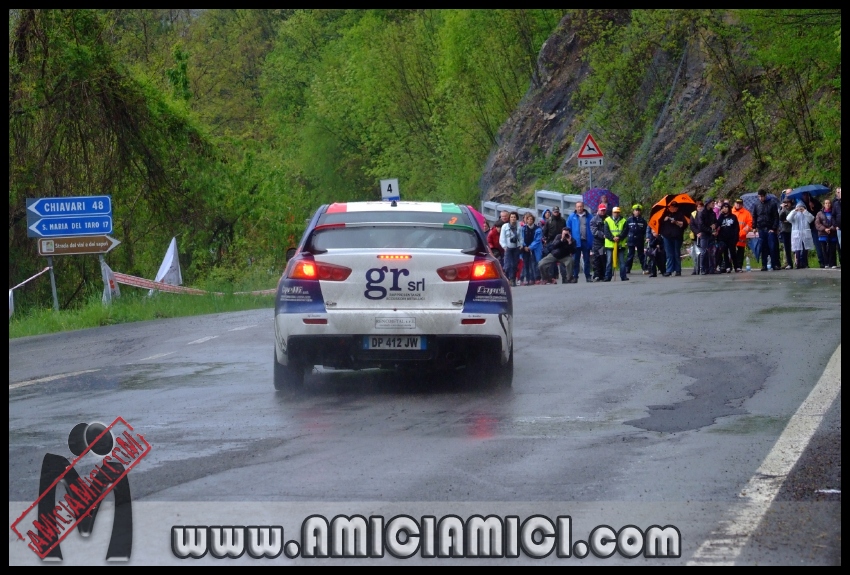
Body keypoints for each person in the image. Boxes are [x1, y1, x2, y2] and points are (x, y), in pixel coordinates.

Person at [752, 189, 780, 271]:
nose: (761, 198)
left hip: (770, 228)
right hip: (761, 228)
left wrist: (774, 228)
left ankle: (775, 264)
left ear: (765, 195)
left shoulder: (772, 203)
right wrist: (754, 227)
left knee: (773, 247)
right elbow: (754, 216)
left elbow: (776, 217)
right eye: (759, 196)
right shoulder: (756, 204)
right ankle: (764, 264)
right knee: (763, 247)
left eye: (762, 196)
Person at [567, 201, 593, 282]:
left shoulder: (589, 216)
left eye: (581, 206)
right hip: (576, 241)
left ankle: (588, 276)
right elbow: (568, 229)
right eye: (578, 207)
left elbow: (592, 228)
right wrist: (569, 240)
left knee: (587, 260)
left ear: (583, 207)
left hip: (586, 240)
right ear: (575, 207)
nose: (579, 208)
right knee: (576, 260)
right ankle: (575, 276)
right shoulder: (571, 217)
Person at [659, 201, 687, 276]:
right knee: (669, 254)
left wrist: (676, 222)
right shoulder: (665, 214)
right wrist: (664, 219)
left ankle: (678, 270)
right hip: (667, 236)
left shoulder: (680, 214)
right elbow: (659, 224)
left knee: (676, 253)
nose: (674, 208)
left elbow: (684, 224)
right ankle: (669, 270)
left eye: (675, 207)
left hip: (677, 236)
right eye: (672, 207)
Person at [542, 206, 568, 283]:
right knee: (551, 260)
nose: (556, 213)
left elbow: (566, 230)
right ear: (552, 212)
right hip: (552, 242)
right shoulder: (549, 221)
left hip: (561, 241)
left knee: (562, 260)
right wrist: (546, 240)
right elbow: (544, 232)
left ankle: (564, 277)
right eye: (555, 211)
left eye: (557, 211)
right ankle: (552, 277)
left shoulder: (563, 220)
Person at [786, 200, 815, 268]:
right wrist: (794, 211)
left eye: (801, 207)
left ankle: (805, 263)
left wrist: (804, 211)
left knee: (805, 249)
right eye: (799, 207)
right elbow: (788, 218)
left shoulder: (806, 214)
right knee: (797, 250)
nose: (800, 209)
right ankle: (798, 263)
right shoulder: (794, 214)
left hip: (805, 234)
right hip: (797, 234)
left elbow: (811, 219)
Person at [604, 206, 629, 281]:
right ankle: (607, 277)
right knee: (609, 261)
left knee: (622, 261)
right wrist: (612, 238)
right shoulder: (607, 220)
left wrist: (619, 237)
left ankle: (623, 276)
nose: (616, 214)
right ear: (612, 213)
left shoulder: (624, 220)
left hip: (620, 244)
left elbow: (625, 231)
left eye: (618, 212)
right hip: (610, 244)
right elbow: (606, 231)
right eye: (615, 212)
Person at [519, 212, 542, 285]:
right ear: (526, 220)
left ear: (533, 220)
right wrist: (525, 246)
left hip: (534, 249)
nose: (530, 221)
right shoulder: (523, 229)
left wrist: (530, 247)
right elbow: (521, 238)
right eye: (528, 219)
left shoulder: (538, 229)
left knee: (535, 263)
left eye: (531, 219)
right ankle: (527, 278)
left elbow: (538, 240)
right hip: (525, 249)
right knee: (526, 263)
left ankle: (536, 278)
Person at [715, 202, 739, 273]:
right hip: (723, 238)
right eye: (723, 208)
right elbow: (717, 224)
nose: (725, 209)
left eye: (726, 207)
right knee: (725, 253)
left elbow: (736, 228)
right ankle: (728, 266)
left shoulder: (733, 217)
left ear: (729, 208)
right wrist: (721, 215)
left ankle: (736, 267)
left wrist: (736, 237)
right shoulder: (721, 217)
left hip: (731, 237)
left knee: (733, 252)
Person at [802, 192, 825, 267]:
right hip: (805, 227)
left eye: (806, 195)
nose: (805, 196)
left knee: (817, 244)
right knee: (805, 245)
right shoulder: (801, 204)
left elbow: (820, 212)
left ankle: (821, 261)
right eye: (803, 195)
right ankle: (804, 262)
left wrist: (813, 207)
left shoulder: (815, 202)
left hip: (814, 226)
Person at [815, 199, 838, 268]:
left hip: (832, 233)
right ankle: (826, 263)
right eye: (826, 203)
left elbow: (836, 221)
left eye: (829, 203)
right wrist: (824, 229)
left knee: (832, 249)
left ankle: (833, 263)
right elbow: (817, 223)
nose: (827, 204)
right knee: (824, 249)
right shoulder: (819, 213)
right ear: (824, 204)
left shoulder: (834, 212)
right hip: (823, 234)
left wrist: (831, 228)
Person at [625, 204, 648, 274]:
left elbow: (645, 230)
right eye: (636, 210)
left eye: (639, 211)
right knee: (630, 255)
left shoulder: (643, 221)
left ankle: (645, 268)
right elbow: (625, 230)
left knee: (641, 255)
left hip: (639, 240)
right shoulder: (629, 220)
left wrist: (646, 237)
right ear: (633, 211)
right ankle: (627, 268)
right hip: (631, 240)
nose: (637, 212)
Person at [499, 211, 521, 286]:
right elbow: (502, 238)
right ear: (509, 218)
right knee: (507, 265)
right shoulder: (505, 226)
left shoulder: (519, 226)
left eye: (514, 217)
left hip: (516, 247)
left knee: (514, 265)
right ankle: (506, 279)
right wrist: (504, 246)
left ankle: (513, 279)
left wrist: (521, 244)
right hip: (508, 248)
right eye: (511, 217)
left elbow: (521, 237)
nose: (513, 218)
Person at [731, 198, 753, 272]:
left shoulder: (747, 213)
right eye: (737, 203)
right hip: (731, 237)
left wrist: (742, 233)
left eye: (740, 203)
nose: (738, 205)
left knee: (740, 253)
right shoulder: (730, 212)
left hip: (741, 237)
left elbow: (749, 224)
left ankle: (739, 266)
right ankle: (729, 266)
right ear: (734, 204)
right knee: (730, 252)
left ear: (742, 204)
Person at [590, 204, 608, 281]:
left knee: (604, 258)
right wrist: (602, 235)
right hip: (597, 242)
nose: (603, 211)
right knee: (596, 259)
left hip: (607, 241)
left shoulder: (608, 219)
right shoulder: (593, 220)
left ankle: (604, 274)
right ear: (598, 210)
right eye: (601, 210)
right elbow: (594, 231)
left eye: (604, 210)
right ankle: (597, 274)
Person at [778, 195, 794, 269]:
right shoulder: (783, 210)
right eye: (785, 203)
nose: (787, 204)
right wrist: (783, 209)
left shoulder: (793, 209)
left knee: (794, 247)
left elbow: (792, 219)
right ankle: (789, 263)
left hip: (792, 230)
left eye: (788, 202)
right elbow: (780, 218)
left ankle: (797, 262)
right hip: (785, 230)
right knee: (787, 248)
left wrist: (787, 221)